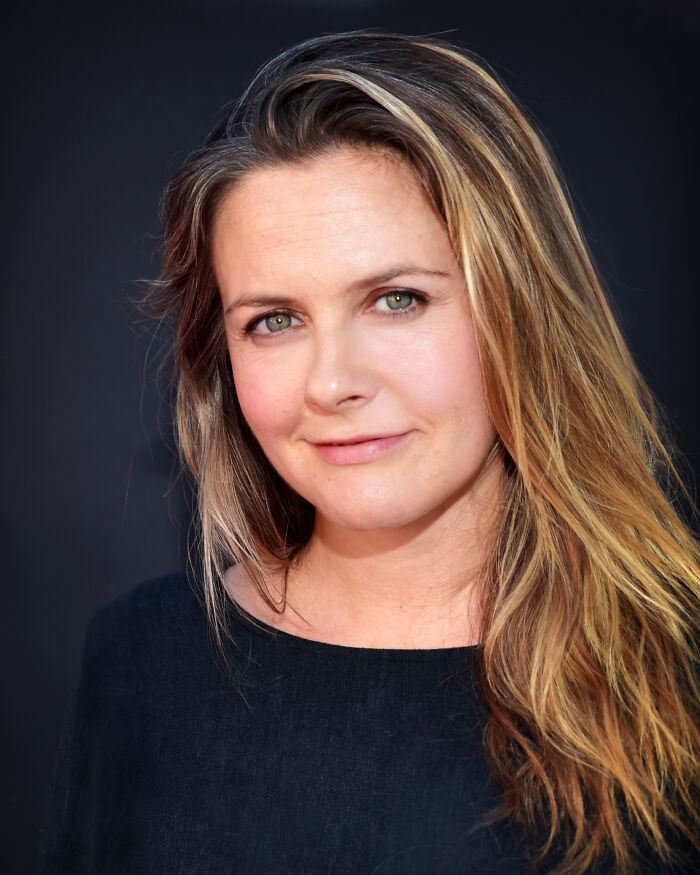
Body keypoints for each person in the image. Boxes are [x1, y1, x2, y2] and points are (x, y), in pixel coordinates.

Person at [37, 31, 700, 874]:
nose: (334, 382)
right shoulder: (139, 663)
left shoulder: (676, 669)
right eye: (274, 320)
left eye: (396, 299)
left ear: (520, 312)